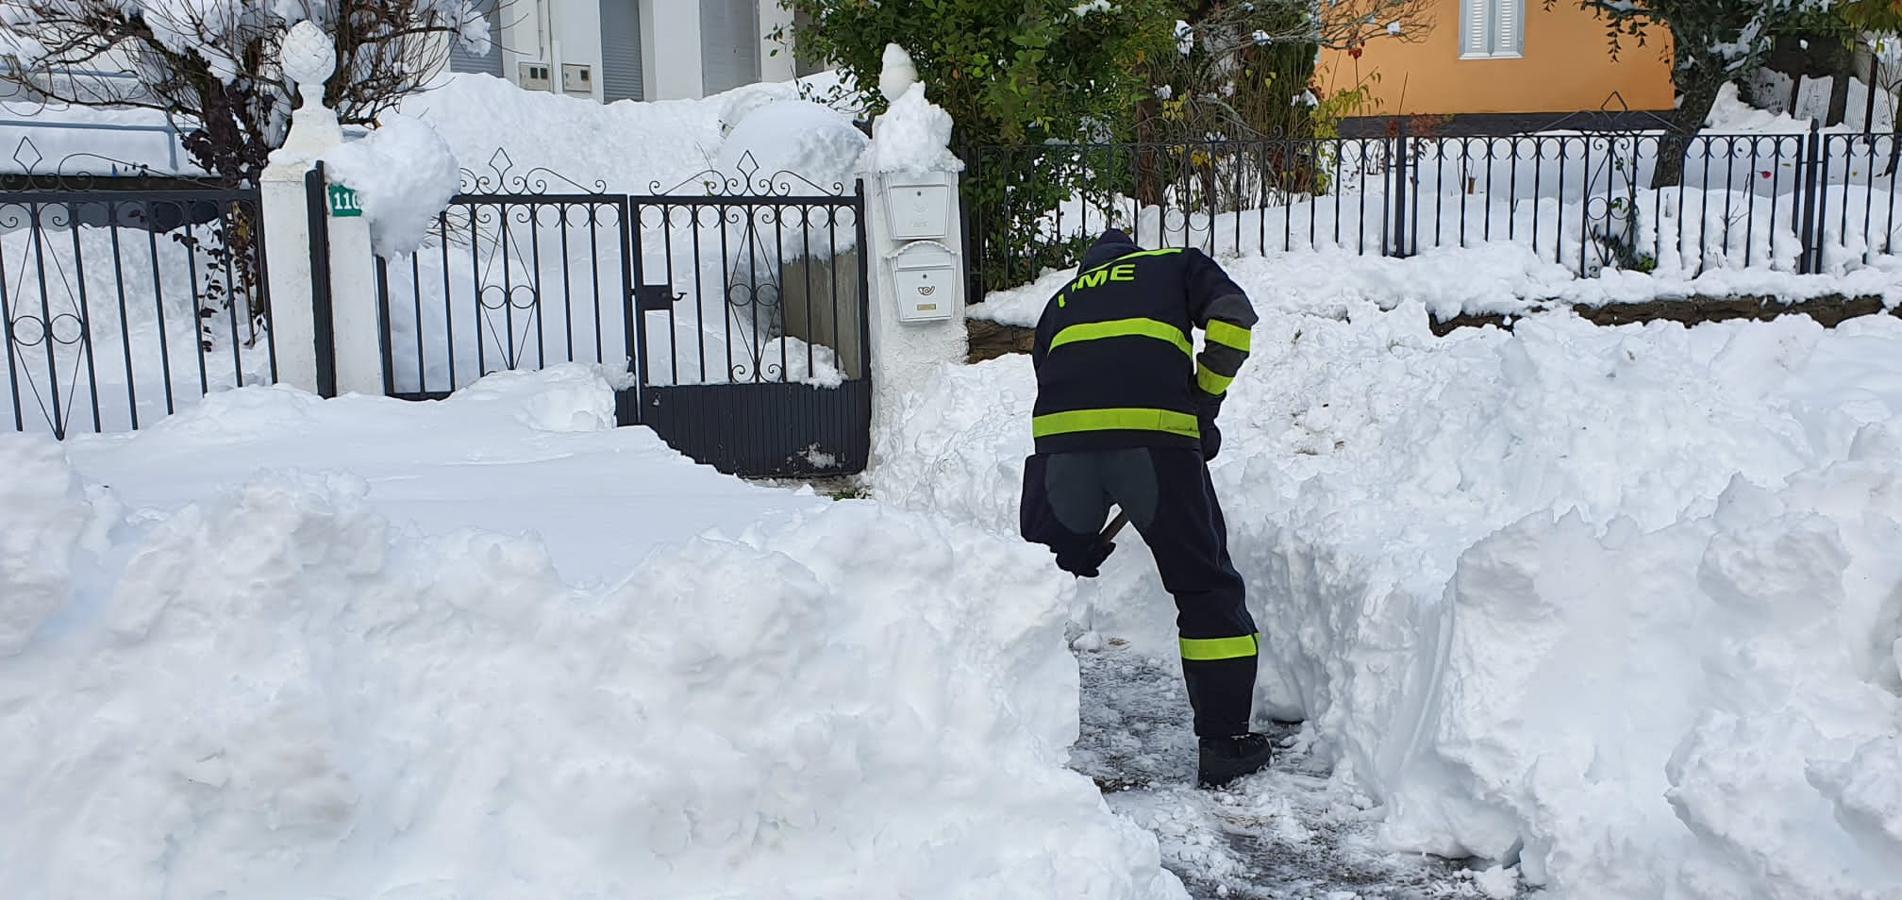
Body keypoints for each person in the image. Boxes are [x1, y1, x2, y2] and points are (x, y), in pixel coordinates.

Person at [1018, 228, 1268, 789]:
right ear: (1132, 256)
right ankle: (1225, 744)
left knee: (1028, 584)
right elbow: (1232, 318)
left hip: (1060, 452)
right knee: (1204, 588)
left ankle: (1000, 732)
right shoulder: (1174, 265)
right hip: (1154, 447)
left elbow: (1059, 380)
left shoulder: (1061, 300)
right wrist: (1203, 403)